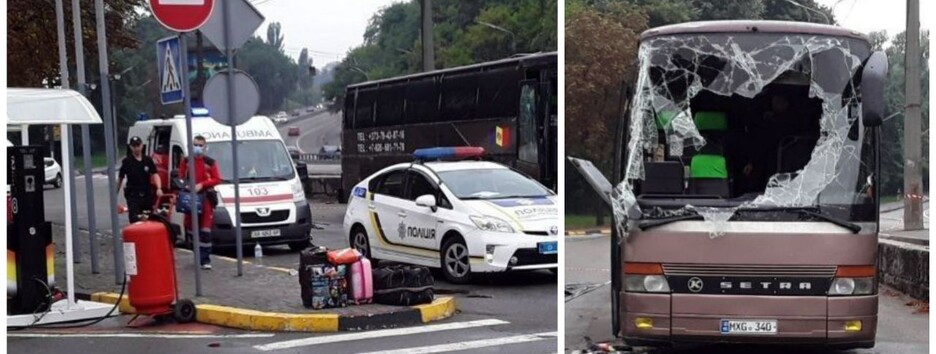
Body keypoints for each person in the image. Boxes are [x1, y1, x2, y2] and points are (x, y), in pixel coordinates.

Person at [178, 135, 222, 270]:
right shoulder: (186, 161)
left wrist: (202, 184)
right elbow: (180, 177)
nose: (197, 147)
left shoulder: (210, 162)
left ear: (205, 146)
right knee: (191, 229)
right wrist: (185, 185)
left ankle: (205, 259)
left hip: (206, 198)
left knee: (205, 230)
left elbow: (217, 179)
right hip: (190, 198)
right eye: (195, 144)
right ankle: (197, 256)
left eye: (200, 145)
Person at [117, 136, 163, 223]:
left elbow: (155, 174)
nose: (136, 148)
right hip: (133, 195)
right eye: (134, 146)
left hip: (146, 195)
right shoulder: (127, 162)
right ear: (130, 147)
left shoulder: (148, 160)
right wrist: (114, 194)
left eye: (138, 145)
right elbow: (120, 178)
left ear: (142, 145)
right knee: (135, 219)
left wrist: (159, 188)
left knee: (149, 218)